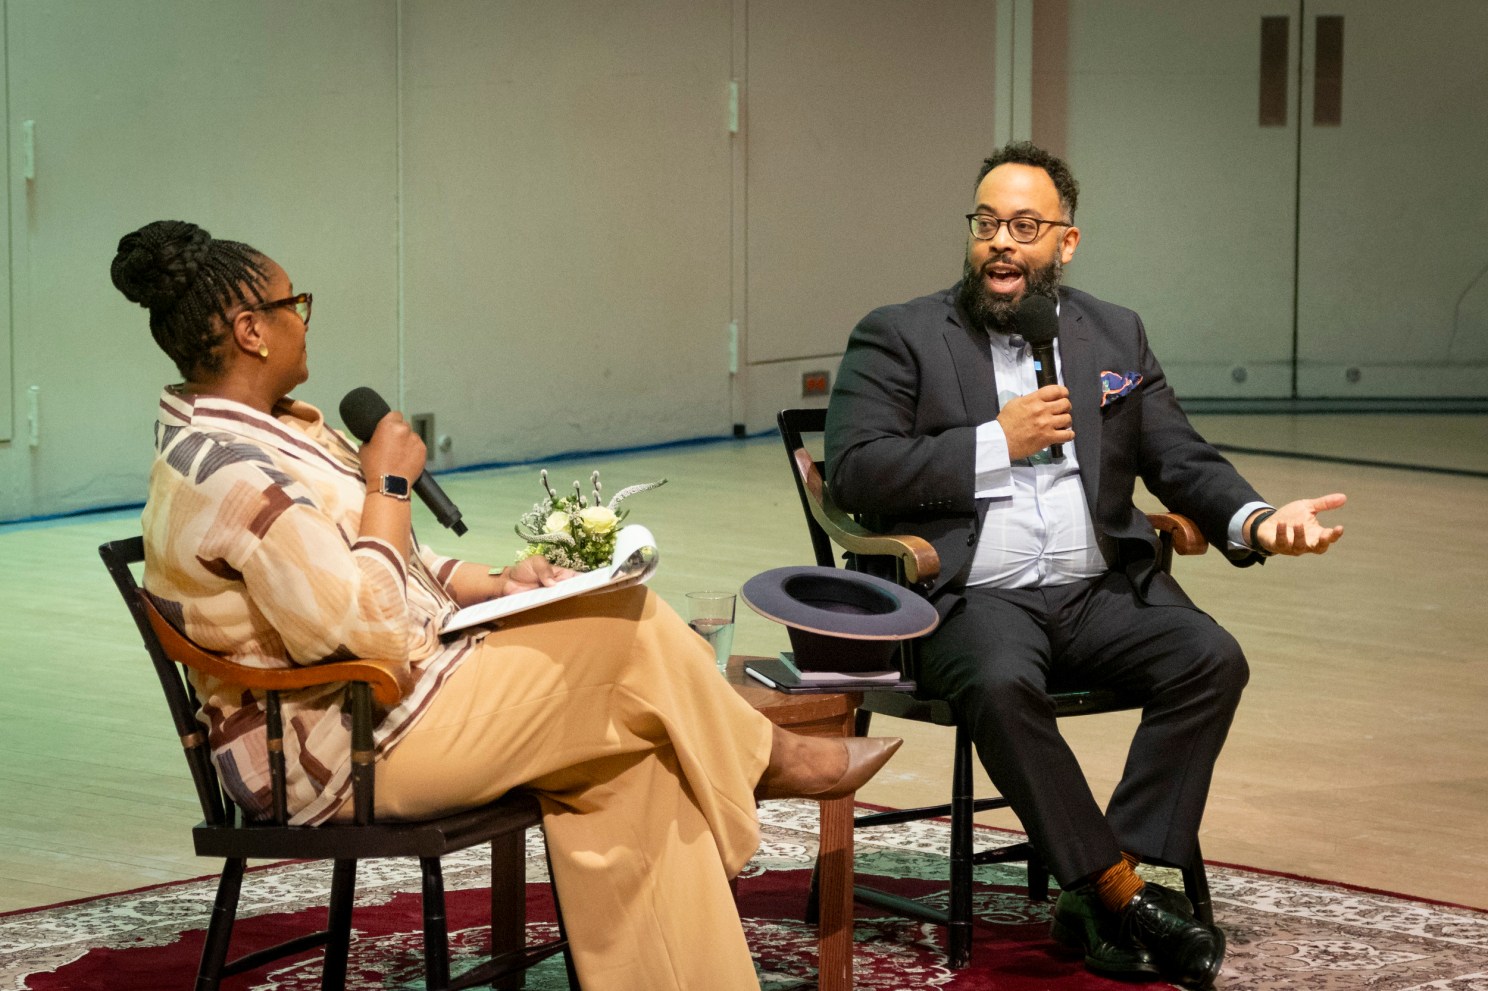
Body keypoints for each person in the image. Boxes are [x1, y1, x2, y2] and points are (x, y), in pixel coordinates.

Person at [111, 219, 901, 991]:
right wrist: (388, 482)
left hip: (396, 701)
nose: (306, 322)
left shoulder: (274, 433)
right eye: (296, 306)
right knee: (625, 632)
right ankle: (767, 758)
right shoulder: (233, 473)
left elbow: (388, 562)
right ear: (252, 330)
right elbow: (372, 631)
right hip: (347, 745)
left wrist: (497, 583)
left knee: (631, 757)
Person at [824, 142, 1345, 990]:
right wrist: (998, 441)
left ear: (1065, 243)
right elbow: (856, 469)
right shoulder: (902, 334)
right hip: (971, 595)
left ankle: (1105, 878)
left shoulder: (1112, 332)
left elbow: (1179, 457)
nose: (1001, 242)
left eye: (1025, 226)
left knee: (1211, 658)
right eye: (986, 222)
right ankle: (1119, 892)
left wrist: (1256, 518)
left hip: (1096, 590)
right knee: (997, 681)